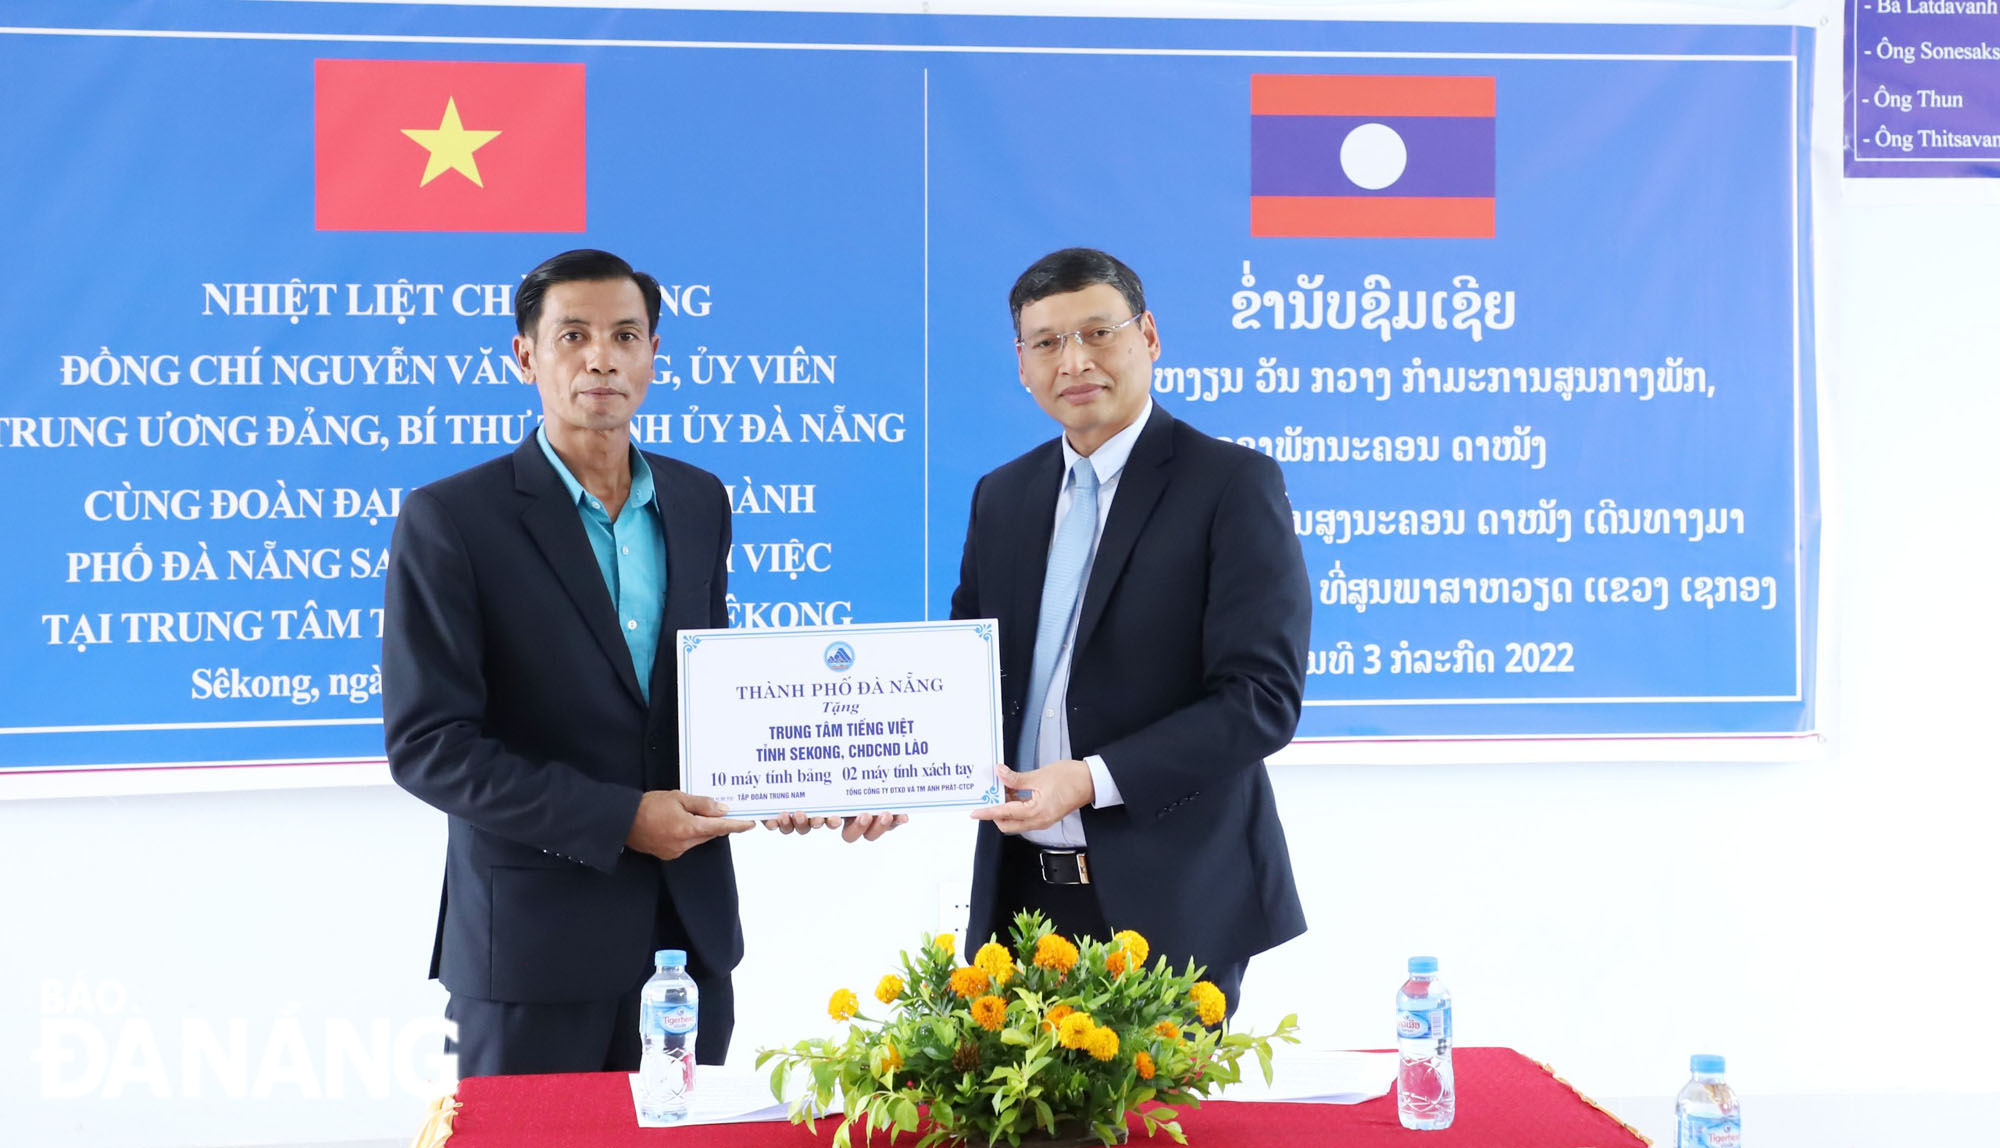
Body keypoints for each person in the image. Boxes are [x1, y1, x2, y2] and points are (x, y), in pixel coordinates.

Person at [383, 249, 893, 1077]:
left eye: (625, 335)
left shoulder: (699, 500)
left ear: (654, 353)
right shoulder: (452, 519)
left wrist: (808, 780)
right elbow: (430, 747)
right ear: (525, 355)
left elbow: (712, 702)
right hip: (534, 950)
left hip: (687, 937)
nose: (601, 357)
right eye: (573, 335)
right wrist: (621, 817)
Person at [953, 247, 1310, 1016]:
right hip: (1019, 906)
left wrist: (1087, 779)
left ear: (1148, 336)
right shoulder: (1003, 497)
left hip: (1175, 901)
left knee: (1152, 1135)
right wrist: (886, 778)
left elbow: (1261, 700)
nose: (1074, 361)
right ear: (1021, 363)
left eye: (1097, 333)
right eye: (1047, 343)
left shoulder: (1231, 485)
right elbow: (962, 678)